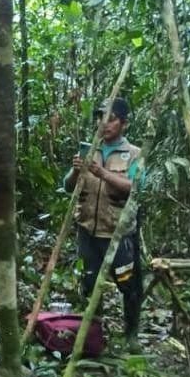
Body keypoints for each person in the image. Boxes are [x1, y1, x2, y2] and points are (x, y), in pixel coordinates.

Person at [63, 97, 142, 350]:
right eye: (100, 117)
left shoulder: (134, 154)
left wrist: (102, 173)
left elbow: (135, 188)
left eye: (110, 118)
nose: (103, 123)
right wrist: (77, 170)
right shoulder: (90, 149)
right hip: (88, 230)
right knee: (89, 283)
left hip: (118, 233)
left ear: (124, 124)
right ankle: (94, 336)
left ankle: (131, 335)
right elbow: (68, 187)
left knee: (128, 285)